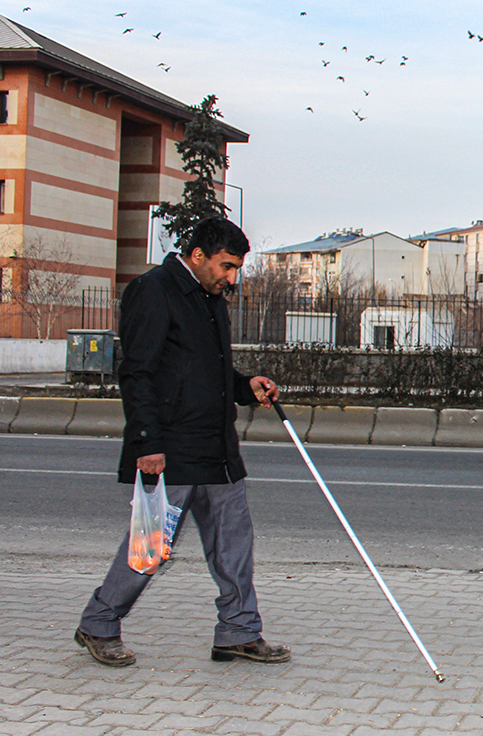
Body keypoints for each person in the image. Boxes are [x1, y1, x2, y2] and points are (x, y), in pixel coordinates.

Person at [75, 217, 290, 668]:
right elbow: (137, 374)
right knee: (150, 548)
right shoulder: (152, 291)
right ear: (197, 256)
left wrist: (244, 385)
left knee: (234, 546)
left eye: (236, 269)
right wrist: (146, 443)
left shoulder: (210, 297)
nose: (232, 278)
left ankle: (239, 631)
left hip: (218, 451)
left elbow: (205, 371)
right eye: (226, 266)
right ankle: (99, 624)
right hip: (169, 450)